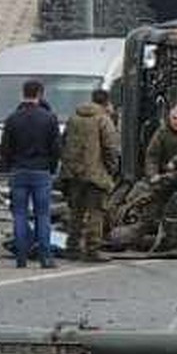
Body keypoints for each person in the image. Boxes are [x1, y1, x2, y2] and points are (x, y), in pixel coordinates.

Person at [0, 79, 60, 269]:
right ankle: (45, 257)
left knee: (19, 214)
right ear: (40, 94)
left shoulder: (12, 118)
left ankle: (21, 257)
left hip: (19, 170)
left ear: (23, 93)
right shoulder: (49, 118)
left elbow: (5, 148)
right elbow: (56, 148)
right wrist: (51, 168)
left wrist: (11, 165)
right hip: (41, 171)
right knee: (43, 215)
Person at [58, 88, 119, 262]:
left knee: (76, 211)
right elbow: (110, 148)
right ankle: (92, 249)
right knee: (96, 212)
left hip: (73, 173)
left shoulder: (73, 118)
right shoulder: (103, 120)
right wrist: (111, 170)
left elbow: (64, 142)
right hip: (96, 174)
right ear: (107, 102)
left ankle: (72, 247)